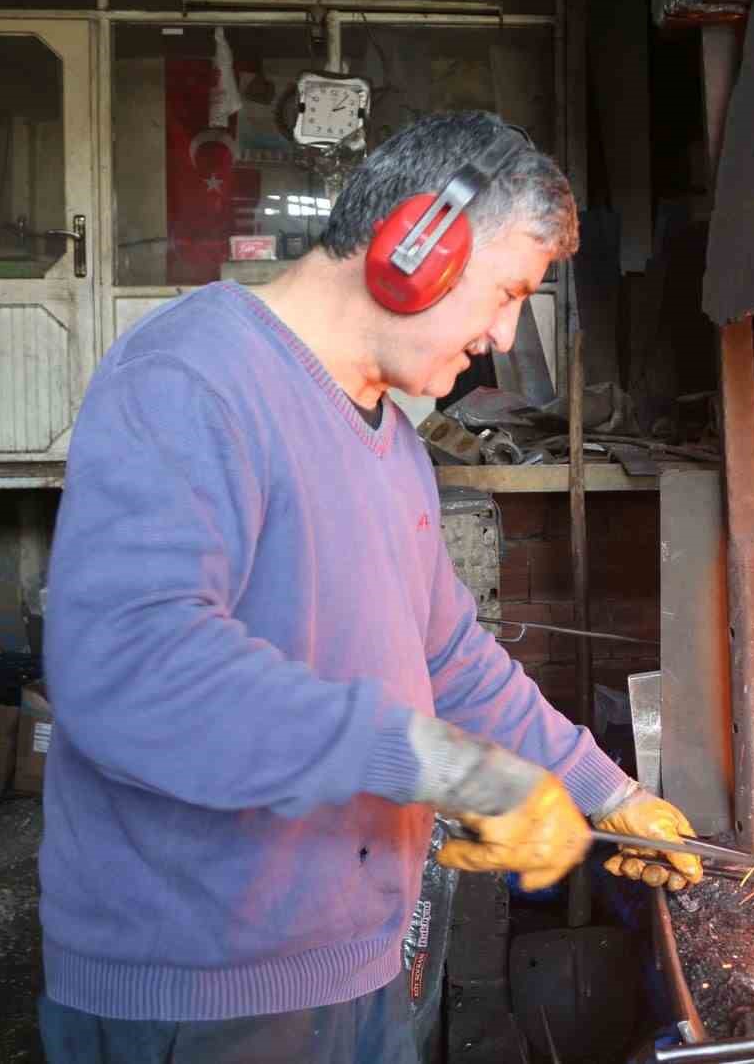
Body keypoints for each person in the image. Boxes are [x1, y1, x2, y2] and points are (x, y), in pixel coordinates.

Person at [37, 109, 701, 1064]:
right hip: (207, 998)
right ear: (414, 244)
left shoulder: (394, 443)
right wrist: (451, 770)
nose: (506, 334)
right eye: (508, 291)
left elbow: (450, 661)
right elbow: (132, 668)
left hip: (366, 970)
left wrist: (604, 787)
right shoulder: (192, 378)